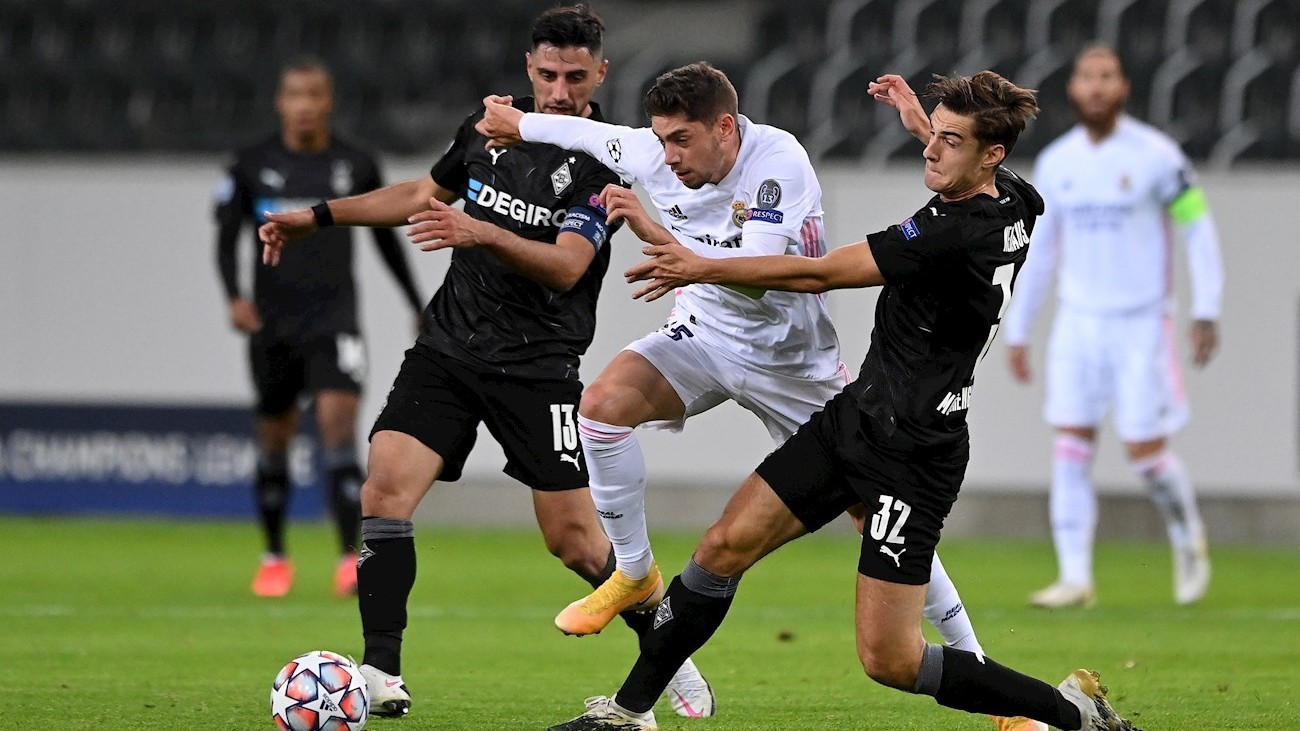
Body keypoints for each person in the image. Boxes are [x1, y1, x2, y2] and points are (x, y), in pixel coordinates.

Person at [544, 70, 1143, 731]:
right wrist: (923, 119)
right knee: (720, 547)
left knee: (890, 658)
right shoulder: (1016, 200)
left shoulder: (953, 232)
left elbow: (818, 272)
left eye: (949, 141)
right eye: (933, 135)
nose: (930, 149)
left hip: (915, 453)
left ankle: (1073, 713)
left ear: (990, 154)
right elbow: (964, 160)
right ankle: (627, 713)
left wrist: (697, 265)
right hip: (854, 420)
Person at [256, 6, 711, 719]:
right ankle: (382, 671)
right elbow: (418, 195)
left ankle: (669, 650)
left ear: (600, 74)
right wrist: (312, 217)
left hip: (539, 365)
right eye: (548, 74)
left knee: (573, 541)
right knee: (384, 490)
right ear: (529, 67)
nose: (559, 91)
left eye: (574, 76)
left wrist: (479, 229)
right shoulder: (487, 125)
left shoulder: (605, 155)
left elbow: (566, 266)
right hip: (448, 350)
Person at [477, 63, 987, 682]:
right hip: (704, 339)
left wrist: (656, 234)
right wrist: (518, 123)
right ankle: (634, 575)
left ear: (725, 127)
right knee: (603, 406)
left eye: (681, 141)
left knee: (876, 516)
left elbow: (759, 279)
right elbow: (586, 136)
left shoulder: (778, 162)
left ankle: (974, 660)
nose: (667, 158)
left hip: (792, 363)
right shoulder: (650, 153)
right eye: (659, 139)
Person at [1001, 44, 1223, 609]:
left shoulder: (1158, 156)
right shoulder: (1057, 163)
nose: (1096, 86)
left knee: (1147, 453)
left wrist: (1207, 308)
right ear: (1072, 89)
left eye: (1107, 77)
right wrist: (1020, 326)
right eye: (1086, 77)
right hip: (1078, 322)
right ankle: (1075, 577)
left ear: (1123, 88)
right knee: (1071, 442)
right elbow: (1042, 252)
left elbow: (1196, 227)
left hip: (1141, 324)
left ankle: (1186, 535)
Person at [214, 57, 423, 599]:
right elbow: (227, 237)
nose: (304, 105)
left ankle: (347, 558)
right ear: (280, 102)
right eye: (293, 95)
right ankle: (275, 556)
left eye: (314, 94)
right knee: (275, 441)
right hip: (273, 324)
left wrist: (414, 299)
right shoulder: (250, 163)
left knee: (338, 435)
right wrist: (235, 297)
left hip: (335, 321)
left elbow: (382, 234)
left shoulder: (353, 163)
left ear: (328, 101)